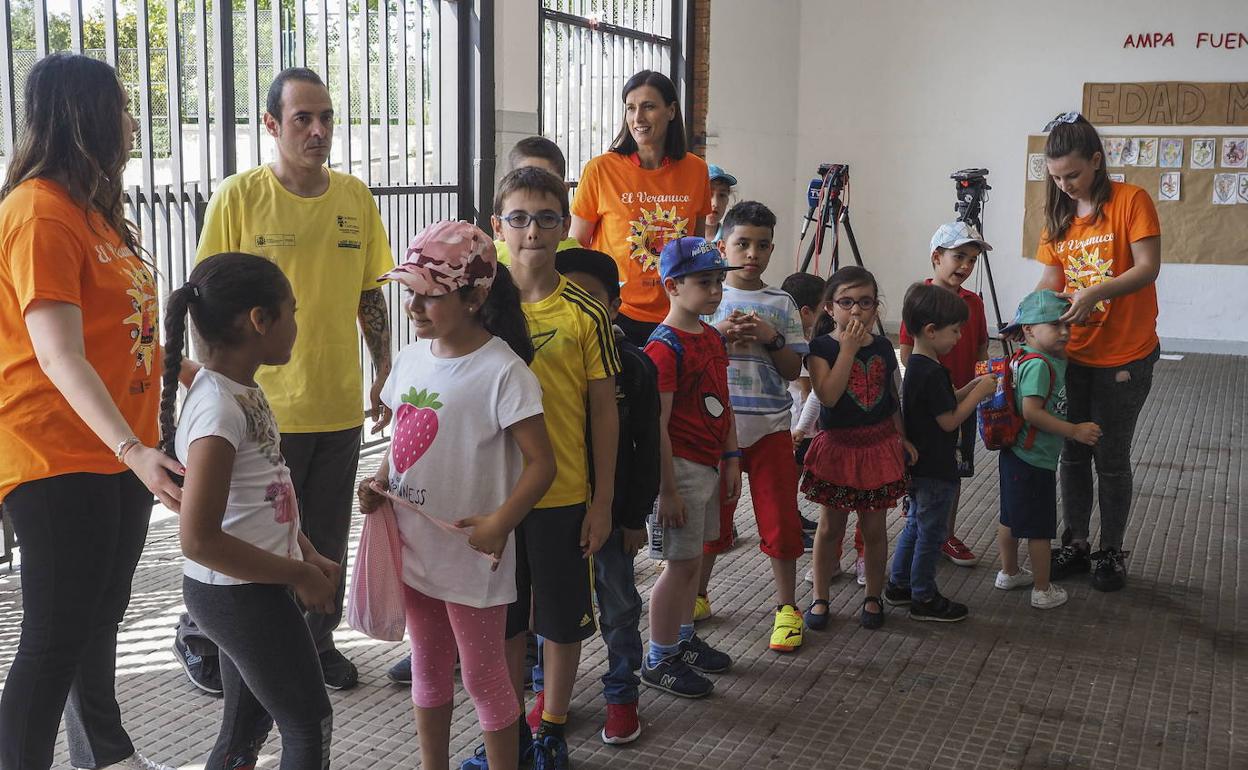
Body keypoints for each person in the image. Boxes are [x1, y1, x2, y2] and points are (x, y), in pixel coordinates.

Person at [175, 67, 395, 693]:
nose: (319, 130)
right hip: (257, 409)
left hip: (336, 403)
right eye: (303, 118)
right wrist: (215, 391)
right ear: (271, 125)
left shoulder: (354, 199)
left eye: (326, 117)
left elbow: (368, 294)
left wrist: (381, 369)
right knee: (241, 536)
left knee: (320, 534)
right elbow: (205, 301)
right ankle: (202, 637)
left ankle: (313, 643)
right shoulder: (239, 198)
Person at [0, 53, 181, 770]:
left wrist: (179, 374)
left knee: (97, 620)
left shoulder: (93, 212)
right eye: (123, 106)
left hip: (114, 450)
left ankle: (106, 755)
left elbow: (116, 335)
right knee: (52, 637)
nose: (133, 122)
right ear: (87, 115)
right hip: (56, 452)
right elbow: (57, 353)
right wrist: (134, 451)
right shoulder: (38, 211)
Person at [357, 221, 556, 770]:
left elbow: (543, 464)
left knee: (484, 675)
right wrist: (377, 483)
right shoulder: (411, 359)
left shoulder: (503, 372)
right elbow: (401, 443)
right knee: (426, 663)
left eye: (430, 295)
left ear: (474, 297)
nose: (415, 308)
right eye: (410, 294)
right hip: (416, 547)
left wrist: (500, 523)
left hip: (473, 556)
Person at [164, 253, 340, 770]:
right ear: (259, 321)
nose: (297, 325)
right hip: (238, 596)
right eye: (292, 311)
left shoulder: (234, 388)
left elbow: (272, 485)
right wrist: (299, 573)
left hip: (249, 587)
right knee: (309, 721)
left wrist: (307, 550)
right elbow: (198, 540)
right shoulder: (218, 407)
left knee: (246, 729)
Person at [473, 167, 620, 770]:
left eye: (546, 218)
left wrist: (603, 501)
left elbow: (604, 413)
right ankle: (507, 737)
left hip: (562, 495)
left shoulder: (584, 310)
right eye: (519, 218)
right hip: (494, 499)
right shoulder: (478, 305)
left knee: (559, 620)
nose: (532, 231)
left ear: (565, 227)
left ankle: (551, 727)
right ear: (497, 226)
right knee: (505, 624)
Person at [535, 247, 659, 745]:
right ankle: (549, 694)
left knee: (618, 603)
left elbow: (646, 446)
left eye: (592, 298)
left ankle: (621, 693)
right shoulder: (538, 355)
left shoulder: (633, 366)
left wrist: (632, 517)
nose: (580, 308)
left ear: (614, 305)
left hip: (611, 514)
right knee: (550, 608)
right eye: (570, 296)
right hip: (553, 509)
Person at [1035, 112, 1161, 592]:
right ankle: (1077, 542)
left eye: (1073, 174)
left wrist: (1093, 292)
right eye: (1056, 177)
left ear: (1096, 160)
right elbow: (1051, 280)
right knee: (1071, 451)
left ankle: (1111, 550)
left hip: (1126, 356)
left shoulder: (1132, 201)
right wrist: (1034, 317)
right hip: (1074, 354)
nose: (1065, 185)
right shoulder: (1059, 217)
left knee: (1110, 455)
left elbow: (1147, 268)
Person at [700, 202, 808, 652]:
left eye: (762, 245)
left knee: (780, 517)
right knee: (711, 517)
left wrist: (772, 338)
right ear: (722, 244)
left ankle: (787, 608)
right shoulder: (707, 298)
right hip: (715, 431)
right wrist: (719, 334)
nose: (752, 253)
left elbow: (790, 368)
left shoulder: (780, 303)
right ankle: (697, 594)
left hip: (769, 427)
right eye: (742, 243)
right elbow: (691, 361)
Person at [642, 237, 742, 698]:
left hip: (707, 464)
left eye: (719, 281)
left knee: (694, 559)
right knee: (677, 568)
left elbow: (724, 403)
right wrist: (666, 490)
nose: (716, 291)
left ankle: (681, 640)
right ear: (672, 286)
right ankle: (659, 657)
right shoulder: (663, 349)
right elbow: (655, 426)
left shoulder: (712, 336)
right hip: (677, 470)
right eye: (705, 283)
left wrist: (731, 457)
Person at [801, 266, 913, 631]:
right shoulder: (820, 348)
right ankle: (820, 596)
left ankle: (873, 596)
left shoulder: (882, 346)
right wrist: (847, 349)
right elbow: (829, 395)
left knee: (875, 527)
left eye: (865, 302)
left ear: (875, 308)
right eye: (846, 302)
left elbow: (891, 398)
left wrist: (902, 436)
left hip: (877, 445)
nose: (856, 311)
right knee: (830, 526)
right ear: (830, 308)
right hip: (839, 447)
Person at [570, 70, 713, 345]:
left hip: (677, 313)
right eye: (631, 108)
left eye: (648, 106)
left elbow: (696, 246)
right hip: (615, 313)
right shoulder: (601, 169)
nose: (638, 118)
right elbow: (577, 244)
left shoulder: (696, 170)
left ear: (671, 111)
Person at [884, 284, 997, 623]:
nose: (960, 337)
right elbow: (948, 421)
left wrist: (971, 387)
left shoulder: (921, 365)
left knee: (916, 526)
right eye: (955, 331)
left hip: (923, 465)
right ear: (931, 331)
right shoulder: (930, 372)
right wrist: (977, 398)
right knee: (931, 533)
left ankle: (898, 584)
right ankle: (923, 595)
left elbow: (944, 402)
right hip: (935, 467)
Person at [994, 290, 1102, 610]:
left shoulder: (1027, 356)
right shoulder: (1040, 366)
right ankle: (1042, 589)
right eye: (1055, 325)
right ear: (1028, 329)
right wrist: (1074, 431)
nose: (1065, 332)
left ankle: (1009, 572)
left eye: (1068, 324)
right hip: (1033, 458)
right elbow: (1032, 412)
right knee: (1040, 529)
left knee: (1011, 517)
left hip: (1014, 454)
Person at [898, 221, 992, 568]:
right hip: (935, 404)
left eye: (972, 260)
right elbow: (907, 352)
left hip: (963, 402)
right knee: (926, 472)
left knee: (953, 472)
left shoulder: (974, 304)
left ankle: (944, 533)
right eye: (959, 257)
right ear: (937, 257)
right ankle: (924, 528)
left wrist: (980, 387)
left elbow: (981, 347)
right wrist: (937, 385)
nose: (966, 267)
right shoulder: (920, 300)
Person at [494, 137, 581, 267]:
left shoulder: (578, 257)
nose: (534, 187)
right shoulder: (490, 256)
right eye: (522, 178)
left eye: (546, 181)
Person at [704, 164, 737, 243]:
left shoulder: (731, 240)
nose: (715, 203)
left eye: (722, 195)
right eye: (708, 194)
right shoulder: (682, 237)